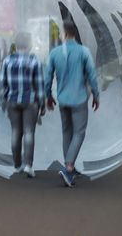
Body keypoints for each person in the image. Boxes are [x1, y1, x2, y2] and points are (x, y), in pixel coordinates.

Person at [44, 19, 100, 187]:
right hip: (79, 99)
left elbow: (47, 77)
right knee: (79, 133)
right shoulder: (84, 52)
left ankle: (70, 166)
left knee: (67, 132)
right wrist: (96, 95)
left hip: (62, 99)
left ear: (65, 33)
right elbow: (92, 75)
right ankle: (69, 167)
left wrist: (48, 96)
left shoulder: (54, 53)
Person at [0, 31, 44, 178]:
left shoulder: (7, 61)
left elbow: (2, 84)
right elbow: (39, 86)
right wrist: (42, 105)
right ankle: (28, 166)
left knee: (15, 131)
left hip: (12, 101)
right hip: (30, 102)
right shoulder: (35, 61)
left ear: (16, 45)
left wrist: (5, 100)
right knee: (29, 132)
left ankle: (17, 165)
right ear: (29, 45)